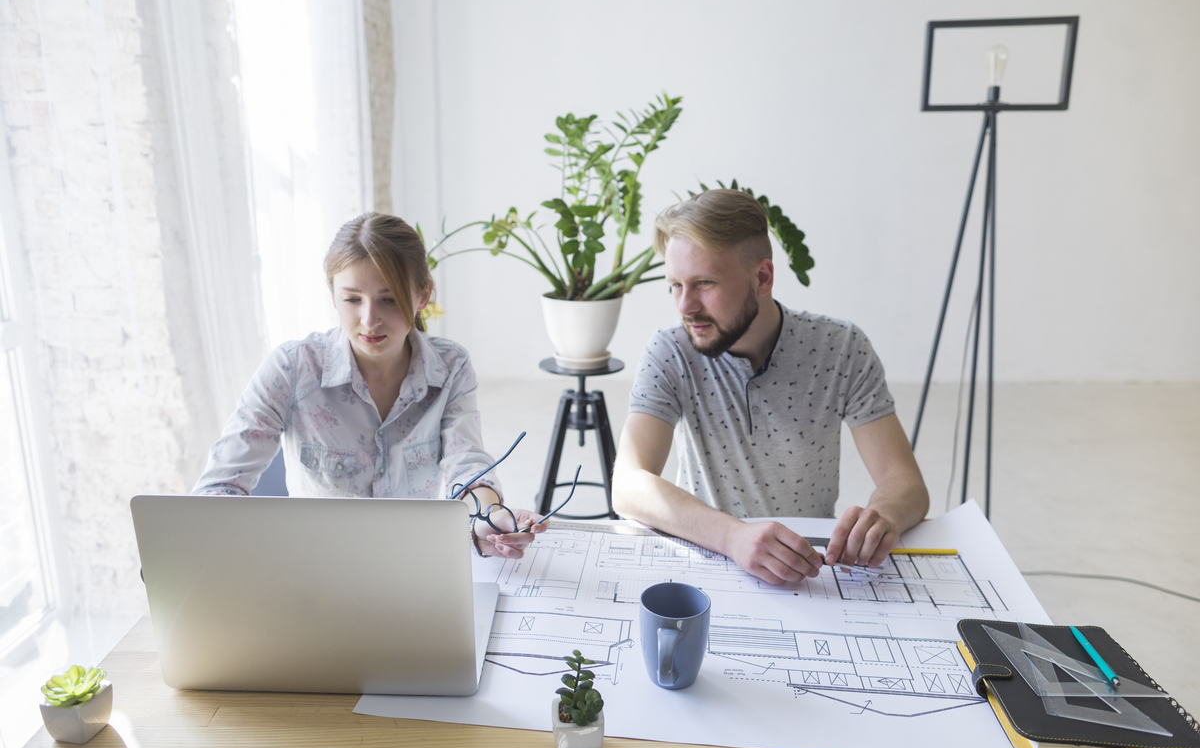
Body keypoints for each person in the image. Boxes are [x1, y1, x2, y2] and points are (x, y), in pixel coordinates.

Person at [611, 189, 929, 585]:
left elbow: (906, 483)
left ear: (762, 277)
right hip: (708, 558)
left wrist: (883, 515)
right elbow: (628, 485)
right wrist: (732, 536)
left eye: (704, 283)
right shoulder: (670, 351)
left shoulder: (842, 347)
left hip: (810, 568)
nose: (685, 306)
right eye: (675, 285)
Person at [193, 212, 545, 559]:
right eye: (352, 299)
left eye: (389, 299)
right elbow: (221, 484)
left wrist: (488, 518)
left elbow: (466, 464)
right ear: (333, 296)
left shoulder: (451, 366)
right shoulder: (292, 367)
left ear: (422, 296)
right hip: (313, 567)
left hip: (411, 561)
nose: (369, 319)